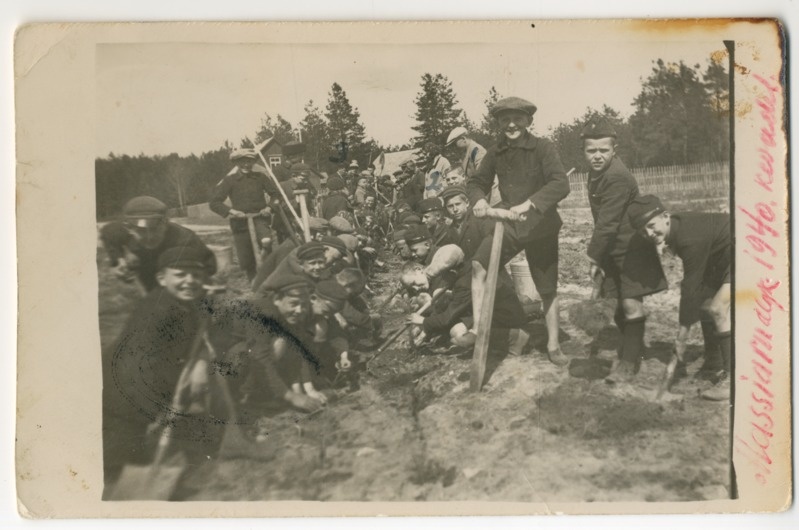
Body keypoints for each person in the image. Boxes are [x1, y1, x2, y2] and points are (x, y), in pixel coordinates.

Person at [467, 97, 570, 366]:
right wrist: (478, 199)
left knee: (547, 289)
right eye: (505, 120)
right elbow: (477, 181)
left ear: (528, 121)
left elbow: (560, 183)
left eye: (517, 119)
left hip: (540, 226)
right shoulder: (495, 152)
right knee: (479, 265)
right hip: (510, 224)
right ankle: (478, 329)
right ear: (499, 124)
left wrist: (532, 203)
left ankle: (554, 345)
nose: (511, 124)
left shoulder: (543, 148)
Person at [102, 247, 215, 490]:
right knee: (118, 457)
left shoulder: (188, 304)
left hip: (148, 381)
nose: (190, 281)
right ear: (162, 279)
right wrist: (162, 405)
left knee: (136, 448)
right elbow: (139, 365)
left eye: (196, 275)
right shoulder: (158, 311)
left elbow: (198, 339)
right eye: (181, 275)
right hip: (121, 388)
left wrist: (200, 364)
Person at [581, 119, 667, 382]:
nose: (597, 156)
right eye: (591, 150)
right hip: (612, 246)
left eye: (603, 150)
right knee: (614, 302)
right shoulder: (595, 174)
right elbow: (604, 224)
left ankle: (630, 362)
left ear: (614, 150)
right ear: (584, 151)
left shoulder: (617, 177)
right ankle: (635, 345)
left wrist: (593, 255)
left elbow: (607, 223)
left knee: (630, 304)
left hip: (631, 248)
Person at [629, 195, 731, 400]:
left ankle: (733, 379)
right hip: (720, 255)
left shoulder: (688, 237)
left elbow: (690, 286)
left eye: (651, 225)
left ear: (665, 216)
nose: (649, 234)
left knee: (718, 308)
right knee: (704, 303)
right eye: (643, 231)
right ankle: (714, 361)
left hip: (743, 248)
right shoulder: (676, 227)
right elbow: (695, 288)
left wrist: (681, 336)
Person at [400, 245, 529, 354]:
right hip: (494, 310)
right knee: (456, 328)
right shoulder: (465, 270)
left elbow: (448, 317)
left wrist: (423, 321)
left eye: (443, 274)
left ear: (452, 271)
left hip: (506, 316)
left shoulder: (465, 282)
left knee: (459, 337)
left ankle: (515, 338)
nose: (443, 279)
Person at [236, 273, 325, 413]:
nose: (299, 310)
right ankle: (246, 396)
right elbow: (259, 357)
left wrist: (308, 389)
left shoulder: (296, 313)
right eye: (293, 303)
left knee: (287, 342)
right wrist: (290, 396)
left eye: (304, 304)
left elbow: (299, 350)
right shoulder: (263, 313)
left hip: (251, 354)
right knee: (279, 344)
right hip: (226, 360)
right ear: (277, 299)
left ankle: (264, 392)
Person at [100, 195, 217, 292]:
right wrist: (117, 260)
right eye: (141, 231)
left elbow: (210, 266)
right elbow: (107, 232)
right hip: (146, 273)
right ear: (128, 228)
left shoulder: (184, 239)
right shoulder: (118, 231)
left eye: (155, 229)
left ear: (166, 224)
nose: (149, 236)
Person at [209, 148, 275, 280]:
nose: (246, 165)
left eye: (249, 161)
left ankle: (268, 276)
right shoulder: (230, 180)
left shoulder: (260, 177)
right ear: (237, 163)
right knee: (246, 259)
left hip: (259, 219)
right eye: (242, 162)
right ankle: (253, 282)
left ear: (253, 162)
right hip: (240, 223)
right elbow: (214, 203)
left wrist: (269, 208)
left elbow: (276, 195)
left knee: (266, 241)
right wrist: (232, 211)